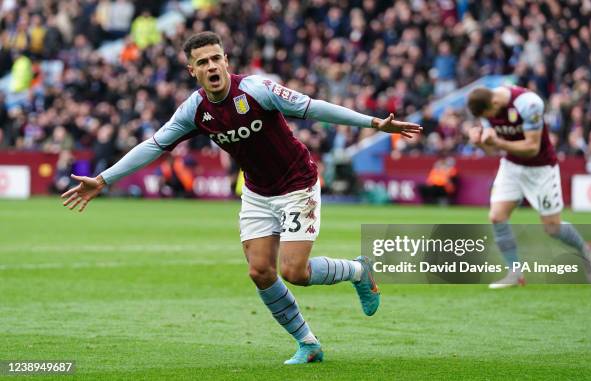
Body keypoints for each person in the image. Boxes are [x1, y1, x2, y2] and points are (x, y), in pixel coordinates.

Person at [61, 31, 421, 364]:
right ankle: (308, 344)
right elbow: (154, 145)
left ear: (226, 61)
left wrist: (374, 123)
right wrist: (104, 179)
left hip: (297, 184)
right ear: (192, 71)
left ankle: (359, 271)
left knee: (294, 271)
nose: (212, 66)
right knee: (259, 271)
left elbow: (314, 107)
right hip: (257, 192)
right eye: (202, 62)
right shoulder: (195, 110)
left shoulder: (256, 89)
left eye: (216, 58)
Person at [467, 86, 591, 289]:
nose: (490, 119)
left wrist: (498, 142)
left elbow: (531, 148)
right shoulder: (488, 111)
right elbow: (493, 148)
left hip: (541, 169)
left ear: (494, 103)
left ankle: (585, 250)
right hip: (511, 166)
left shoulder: (528, 103)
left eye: (489, 114)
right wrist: (480, 143)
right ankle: (515, 273)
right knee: (497, 216)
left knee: (552, 228)